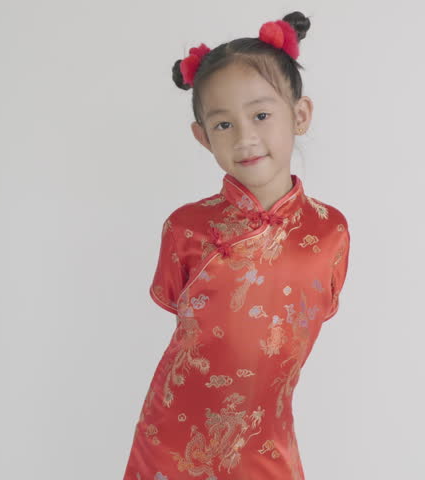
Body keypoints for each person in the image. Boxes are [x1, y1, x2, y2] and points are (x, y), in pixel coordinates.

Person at [123, 11, 351, 480]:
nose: (246, 137)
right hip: (172, 436)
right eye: (223, 125)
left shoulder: (330, 232)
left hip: (266, 439)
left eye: (261, 115)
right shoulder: (186, 228)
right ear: (202, 137)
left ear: (300, 115)